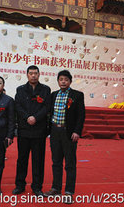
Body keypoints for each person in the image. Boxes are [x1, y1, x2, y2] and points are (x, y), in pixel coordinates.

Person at [44, 70, 85, 204]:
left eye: (66, 80)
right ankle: (56, 188)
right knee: (56, 162)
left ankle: (69, 192)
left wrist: (77, 131)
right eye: (61, 79)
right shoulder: (53, 95)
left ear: (70, 81)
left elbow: (81, 115)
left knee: (70, 164)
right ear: (58, 81)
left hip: (69, 133)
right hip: (55, 132)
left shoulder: (77, 95)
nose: (63, 82)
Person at [12, 65, 51, 196]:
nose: (33, 75)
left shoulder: (45, 90)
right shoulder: (21, 89)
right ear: (27, 75)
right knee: (22, 159)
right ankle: (20, 185)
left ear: (39, 75)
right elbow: (17, 106)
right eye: (31, 73)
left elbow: (46, 107)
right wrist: (27, 117)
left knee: (38, 160)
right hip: (24, 129)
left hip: (39, 130)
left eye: (35, 73)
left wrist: (36, 117)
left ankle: (37, 186)